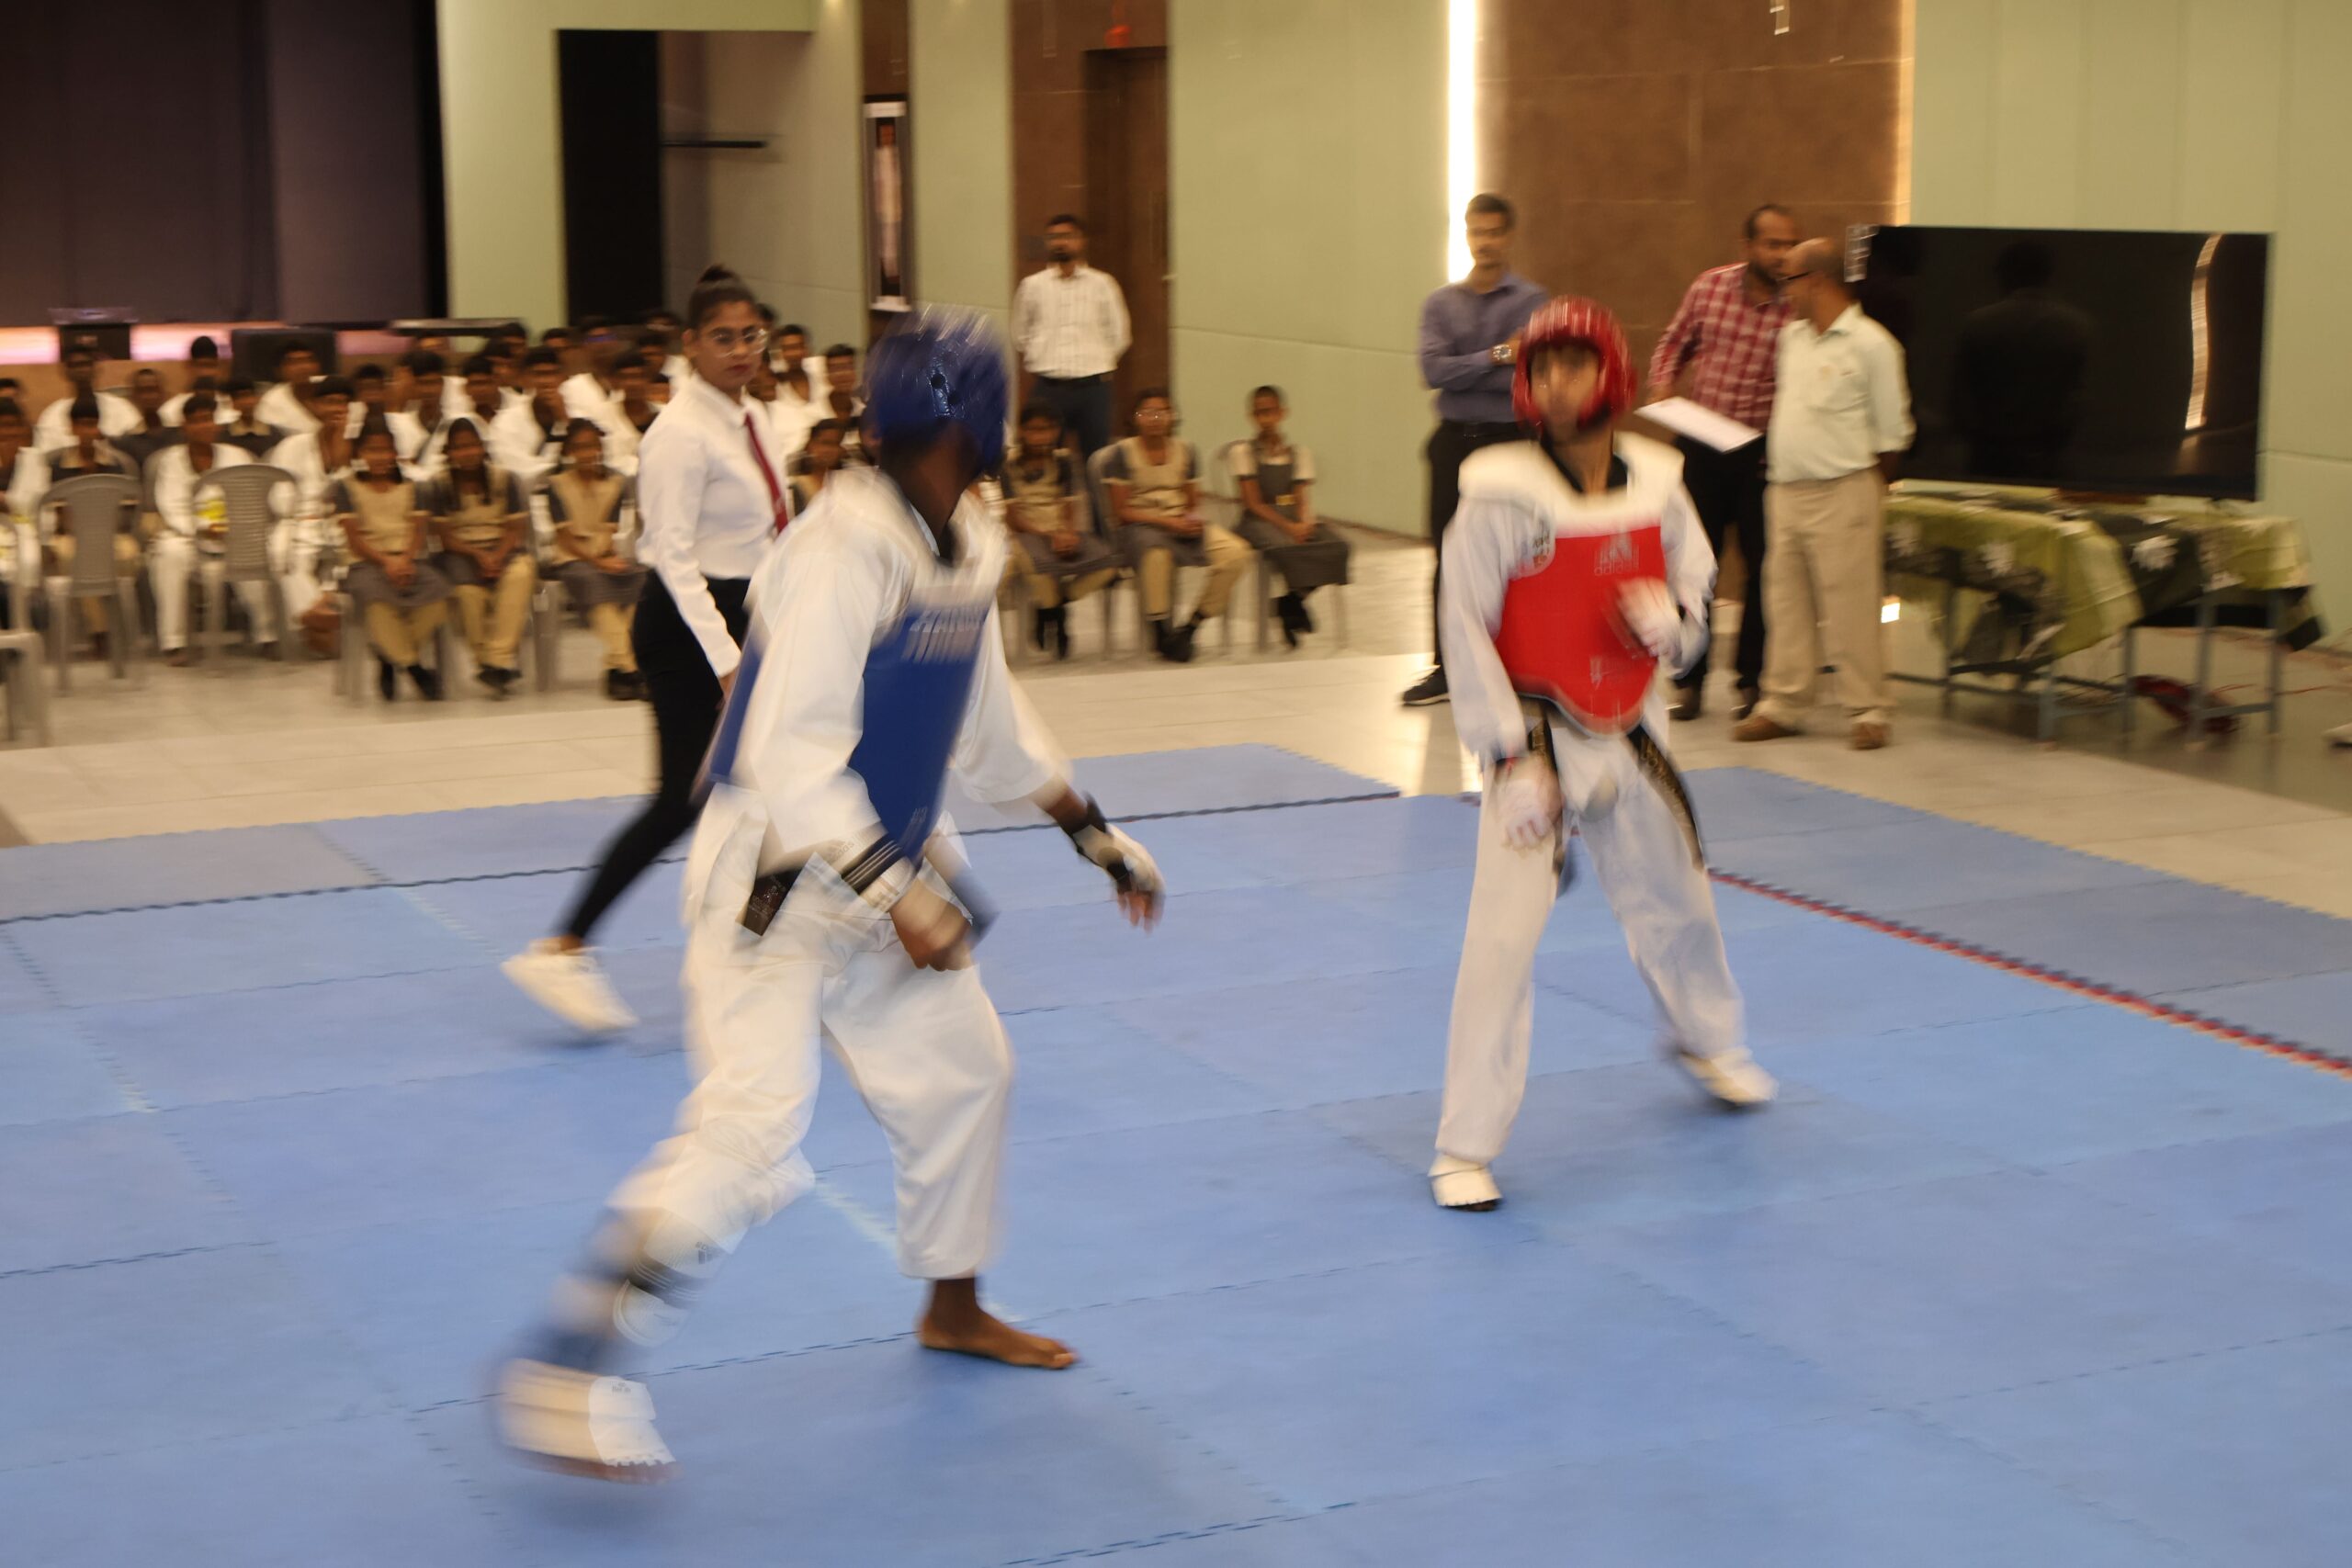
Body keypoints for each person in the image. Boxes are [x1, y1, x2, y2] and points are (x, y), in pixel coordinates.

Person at [493, 306, 1165, 1483]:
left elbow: (985, 715)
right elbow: (787, 751)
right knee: (752, 1134)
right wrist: (899, 896)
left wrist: (1087, 829)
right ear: (979, 421)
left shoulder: (969, 538)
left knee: (967, 1071)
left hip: (883, 872)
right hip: (774, 885)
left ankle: (952, 1306)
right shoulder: (838, 549)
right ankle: (565, 1370)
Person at [1427, 297, 1775, 1214]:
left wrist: (1678, 628)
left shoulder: (1658, 481)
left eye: (1573, 364)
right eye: (1541, 368)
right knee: (1502, 940)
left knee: (1681, 900)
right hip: (1537, 737)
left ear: (1609, 373)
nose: (1555, 383)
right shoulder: (1499, 492)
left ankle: (1709, 1040)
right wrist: (1506, 755)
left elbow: (1696, 587)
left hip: (1632, 726)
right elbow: (1463, 625)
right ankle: (1463, 1145)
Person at [503, 265, 786, 1034]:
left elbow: (770, 531)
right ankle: (563, 946)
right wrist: (727, 659)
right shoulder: (679, 433)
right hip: (692, 628)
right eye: (723, 337)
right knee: (681, 801)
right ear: (690, 344)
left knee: (784, 790)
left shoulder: (753, 415)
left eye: (751, 335)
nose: (741, 349)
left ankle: (758, 944)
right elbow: (671, 556)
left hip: (752, 615)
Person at [1735, 238, 1914, 752]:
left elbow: (1892, 437)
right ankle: (1784, 704)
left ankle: (1868, 709)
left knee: (1852, 603)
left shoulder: (1873, 345)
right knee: (1785, 601)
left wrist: (1865, 491)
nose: (1783, 291)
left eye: (1788, 280)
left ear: (1816, 281)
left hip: (1845, 489)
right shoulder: (1791, 339)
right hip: (1785, 490)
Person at [1645, 204, 1799, 722]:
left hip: (1762, 454)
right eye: (1772, 244)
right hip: (1702, 445)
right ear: (1747, 246)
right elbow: (1674, 341)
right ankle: (1688, 681)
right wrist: (1664, 382)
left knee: (1762, 568)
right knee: (1694, 565)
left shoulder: (1796, 305)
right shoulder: (1710, 287)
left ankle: (1751, 682)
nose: (1782, 255)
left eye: (1789, 245)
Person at [1403, 194, 1548, 707]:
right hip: (1453, 441)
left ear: (1508, 237)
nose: (1484, 242)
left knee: (1512, 555)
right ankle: (1446, 667)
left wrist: (1473, 366)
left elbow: (1529, 375)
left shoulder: (1533, 302)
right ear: (1466, 236)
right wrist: (1501, 353)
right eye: (1476, 232)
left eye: (1493, 232)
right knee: (1447, 553)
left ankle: (1516, 665)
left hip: (1510, 440)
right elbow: (1433, 372)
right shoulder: (1440, 304)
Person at [1104, 389, 1250, 664]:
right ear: (1135, 418)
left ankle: (1191, 626)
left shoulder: (1186, 450)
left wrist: (1191, 520)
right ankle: (1160, 630)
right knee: (1156, 554)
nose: (1155, 418)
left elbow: (1193, 501)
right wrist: (1167, 522)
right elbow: (1121, 511)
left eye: (1162, 412)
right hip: (1140, 525)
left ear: (1173, 417)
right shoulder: (1121, 453)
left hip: (1179, 521)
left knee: (1236, 553)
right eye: (1147, 413)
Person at [148, 392, 270, 665]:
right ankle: (174, 642)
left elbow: (249, 498)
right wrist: (202, 529)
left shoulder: (237, 456)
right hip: (189, 535)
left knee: (253, 550)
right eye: (197, 421)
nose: (204, 426)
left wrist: (231, 527)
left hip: (233, 531)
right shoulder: (170, 461)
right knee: (168, 554)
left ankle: (267, 635)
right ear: (184, 426)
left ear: (216, 424)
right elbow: (172, 506)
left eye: (208, 419)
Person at [335, 419, 449, 701]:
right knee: (377, 600)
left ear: (395, 453)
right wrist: (387, 562)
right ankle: (414, 668)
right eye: (372, 450)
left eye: (386, 450)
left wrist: (405, 560)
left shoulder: (414, 487)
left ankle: (388, 655)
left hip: (410, 559)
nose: (380, 457)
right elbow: (354, 538)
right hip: (365, 562)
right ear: (360, 454)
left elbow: (419, 531)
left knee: (439, 594)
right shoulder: (345, 488)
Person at [1229, 385, 1351, 649]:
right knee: (1288, 547)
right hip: (1259, 519)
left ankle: (1291, 601)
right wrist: (1288, 527)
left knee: (1337, 546)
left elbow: (1301, 496)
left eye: (1270, 412)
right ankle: (1292, 607)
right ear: (1252, 416)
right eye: (1260, 413)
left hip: (1291, 515)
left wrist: (1304, 522)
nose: (1266, 419)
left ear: (1282, 413)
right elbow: (1253, 502)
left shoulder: (1298, 453)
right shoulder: (1244, 452)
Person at [425, 417, 537, 697]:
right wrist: (479, 556)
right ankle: (488, 662)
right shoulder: (438, 485)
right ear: (449, 452)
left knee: (523, 572)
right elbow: (443, 537)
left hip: (503, 548)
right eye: (459, 448)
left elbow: (516, 529)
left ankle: (494, 661)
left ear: (483, 448)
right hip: (459, 553)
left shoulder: (506, 479)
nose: (467, 453)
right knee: (467, 594)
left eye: (472, 446)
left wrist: (496, 555)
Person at [1000, 400, 1117, 659]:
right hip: (1026, 533)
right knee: (1037, 567)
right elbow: (1014, 517)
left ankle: (1055, 606)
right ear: (1022, 431)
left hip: (1058, 529)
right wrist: (1049, 535)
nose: (1041, 436)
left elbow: (1068, 506)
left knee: (1109, 565)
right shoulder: (1008, 463)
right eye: (1035, 430)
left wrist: (1067, 533)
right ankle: (1058, 620)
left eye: (1047, 429)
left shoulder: (1063, 460)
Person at [1012, 214, 1129, 463]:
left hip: (1093, 387)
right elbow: (1020, 335)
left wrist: (1095, 360)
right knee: (1043, 459)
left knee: (1097, 459)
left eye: (1066, 236)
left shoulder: (1103, 284)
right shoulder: (1032, 285)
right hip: (1049, 387)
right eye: (1053, 237)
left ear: (1081, 240)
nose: (1060, 243)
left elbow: (1120, 336)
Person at [547, 420, 645, 701]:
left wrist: (607, 559)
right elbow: (564, 538)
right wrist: (599, 562)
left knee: (641, 579)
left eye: (592, 446)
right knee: (592, 582)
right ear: (569, 451)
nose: (587, 453)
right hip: (570, 557)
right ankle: (631, 667)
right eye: (580, 447)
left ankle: (617, 669)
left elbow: (609, 530)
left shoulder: (616, 483)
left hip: (604, 553)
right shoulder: (555, 485)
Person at [40, 399, 140, 654]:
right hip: (69, 534)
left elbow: (125, 506)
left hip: (111, 532)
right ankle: (100, 632)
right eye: (82, 425)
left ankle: (119, 621)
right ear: (72, 427)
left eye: (92, 424)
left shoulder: (114, 464)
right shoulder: (56, 466)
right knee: (76, 558)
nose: (87, 431)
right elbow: (52, 509)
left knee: (129, 554)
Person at [267, 376, 356, 619]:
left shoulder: (355, 447)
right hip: (299, 521)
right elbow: (279, 500)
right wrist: (305, 514)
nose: (337, 409)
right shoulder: (291, 446)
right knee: (290, 562)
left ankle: (319, 616)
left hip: (343, 523)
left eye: (343, 403)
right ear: (315, 406)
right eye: (330, 402)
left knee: (349, 567)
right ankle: (320, 616)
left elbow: (355, 497)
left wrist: (341, 455)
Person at [493, 346, 584, 491]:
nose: (546, 381)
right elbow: (516, 472)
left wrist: (564, 420)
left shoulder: (576, 417)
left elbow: (586, 459)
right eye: (538, 374)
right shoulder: (505, 421)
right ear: (524, 379)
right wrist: (556, 466)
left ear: (563, 378)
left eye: (552, 373)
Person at [34, 341, 140, 452]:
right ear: (65, 372)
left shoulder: (121, 407)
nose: (81, 370)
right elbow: (46, 454)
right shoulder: (52, 414)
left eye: (86, 364)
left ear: (96, 369)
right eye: (74, 365)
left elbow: (135, 445)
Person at [114, 368, 178, 478]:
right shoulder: (125, 442)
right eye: (142, 391)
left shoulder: (181, 434)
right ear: (133, 397)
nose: (150, 396)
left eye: (154, 390)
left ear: (163, 394)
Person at [400, 351, 456, 474]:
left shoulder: (455, 423)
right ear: (413, 384)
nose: (428, 390)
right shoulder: (401, 424)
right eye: (422, 383)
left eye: (433, 383)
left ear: (442, 384)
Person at [256, 344, 322, 435]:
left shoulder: (333, 389)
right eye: (294, 362)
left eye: (308, 360)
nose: (303, 367)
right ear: (279, 370)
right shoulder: (271, 401)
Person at [160, 336, 227, 425]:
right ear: (189, 367)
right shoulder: (170, 411)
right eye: (200, 366)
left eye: (211, 366)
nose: (205, 373)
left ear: (219, 368)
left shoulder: (233, 408)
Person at [820, 344, 867, 465]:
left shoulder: (865, 412)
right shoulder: (814, 414)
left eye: (847, 367)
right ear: (826, 374)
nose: (842, 374)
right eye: (836, 369)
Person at [217, 378, 281, 457]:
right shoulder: (224, 436)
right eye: (240, 397)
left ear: (256, 399)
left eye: (248, 396)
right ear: (233, 403)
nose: (246, 402)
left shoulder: (274, 434)